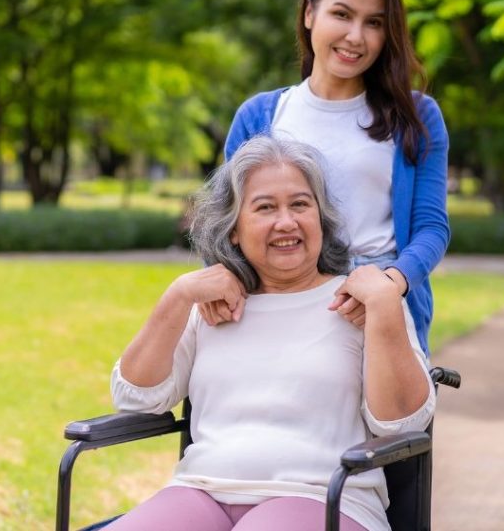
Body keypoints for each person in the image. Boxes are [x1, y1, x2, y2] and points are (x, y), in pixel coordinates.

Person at [107, 137, 435, 531]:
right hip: (201, 491)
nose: (286, 221)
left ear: (321, 218)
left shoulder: (361, 300)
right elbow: (135, 397)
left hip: (322, 498)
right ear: (234, 230)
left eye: (300, 204)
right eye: (265, 207)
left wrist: (384, 304)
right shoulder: (210, 304)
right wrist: (178, 296)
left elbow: (402, 425)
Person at [218, 0, 450, 357]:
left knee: (390, 419)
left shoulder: (416, 115)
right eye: (341, 14)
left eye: (374, 23)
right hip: (281, 297)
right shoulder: (260, 115)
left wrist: (388, 286)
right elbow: (228, 223)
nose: (355, 37)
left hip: (380, 302)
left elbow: (432, 228)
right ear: (310, 13)